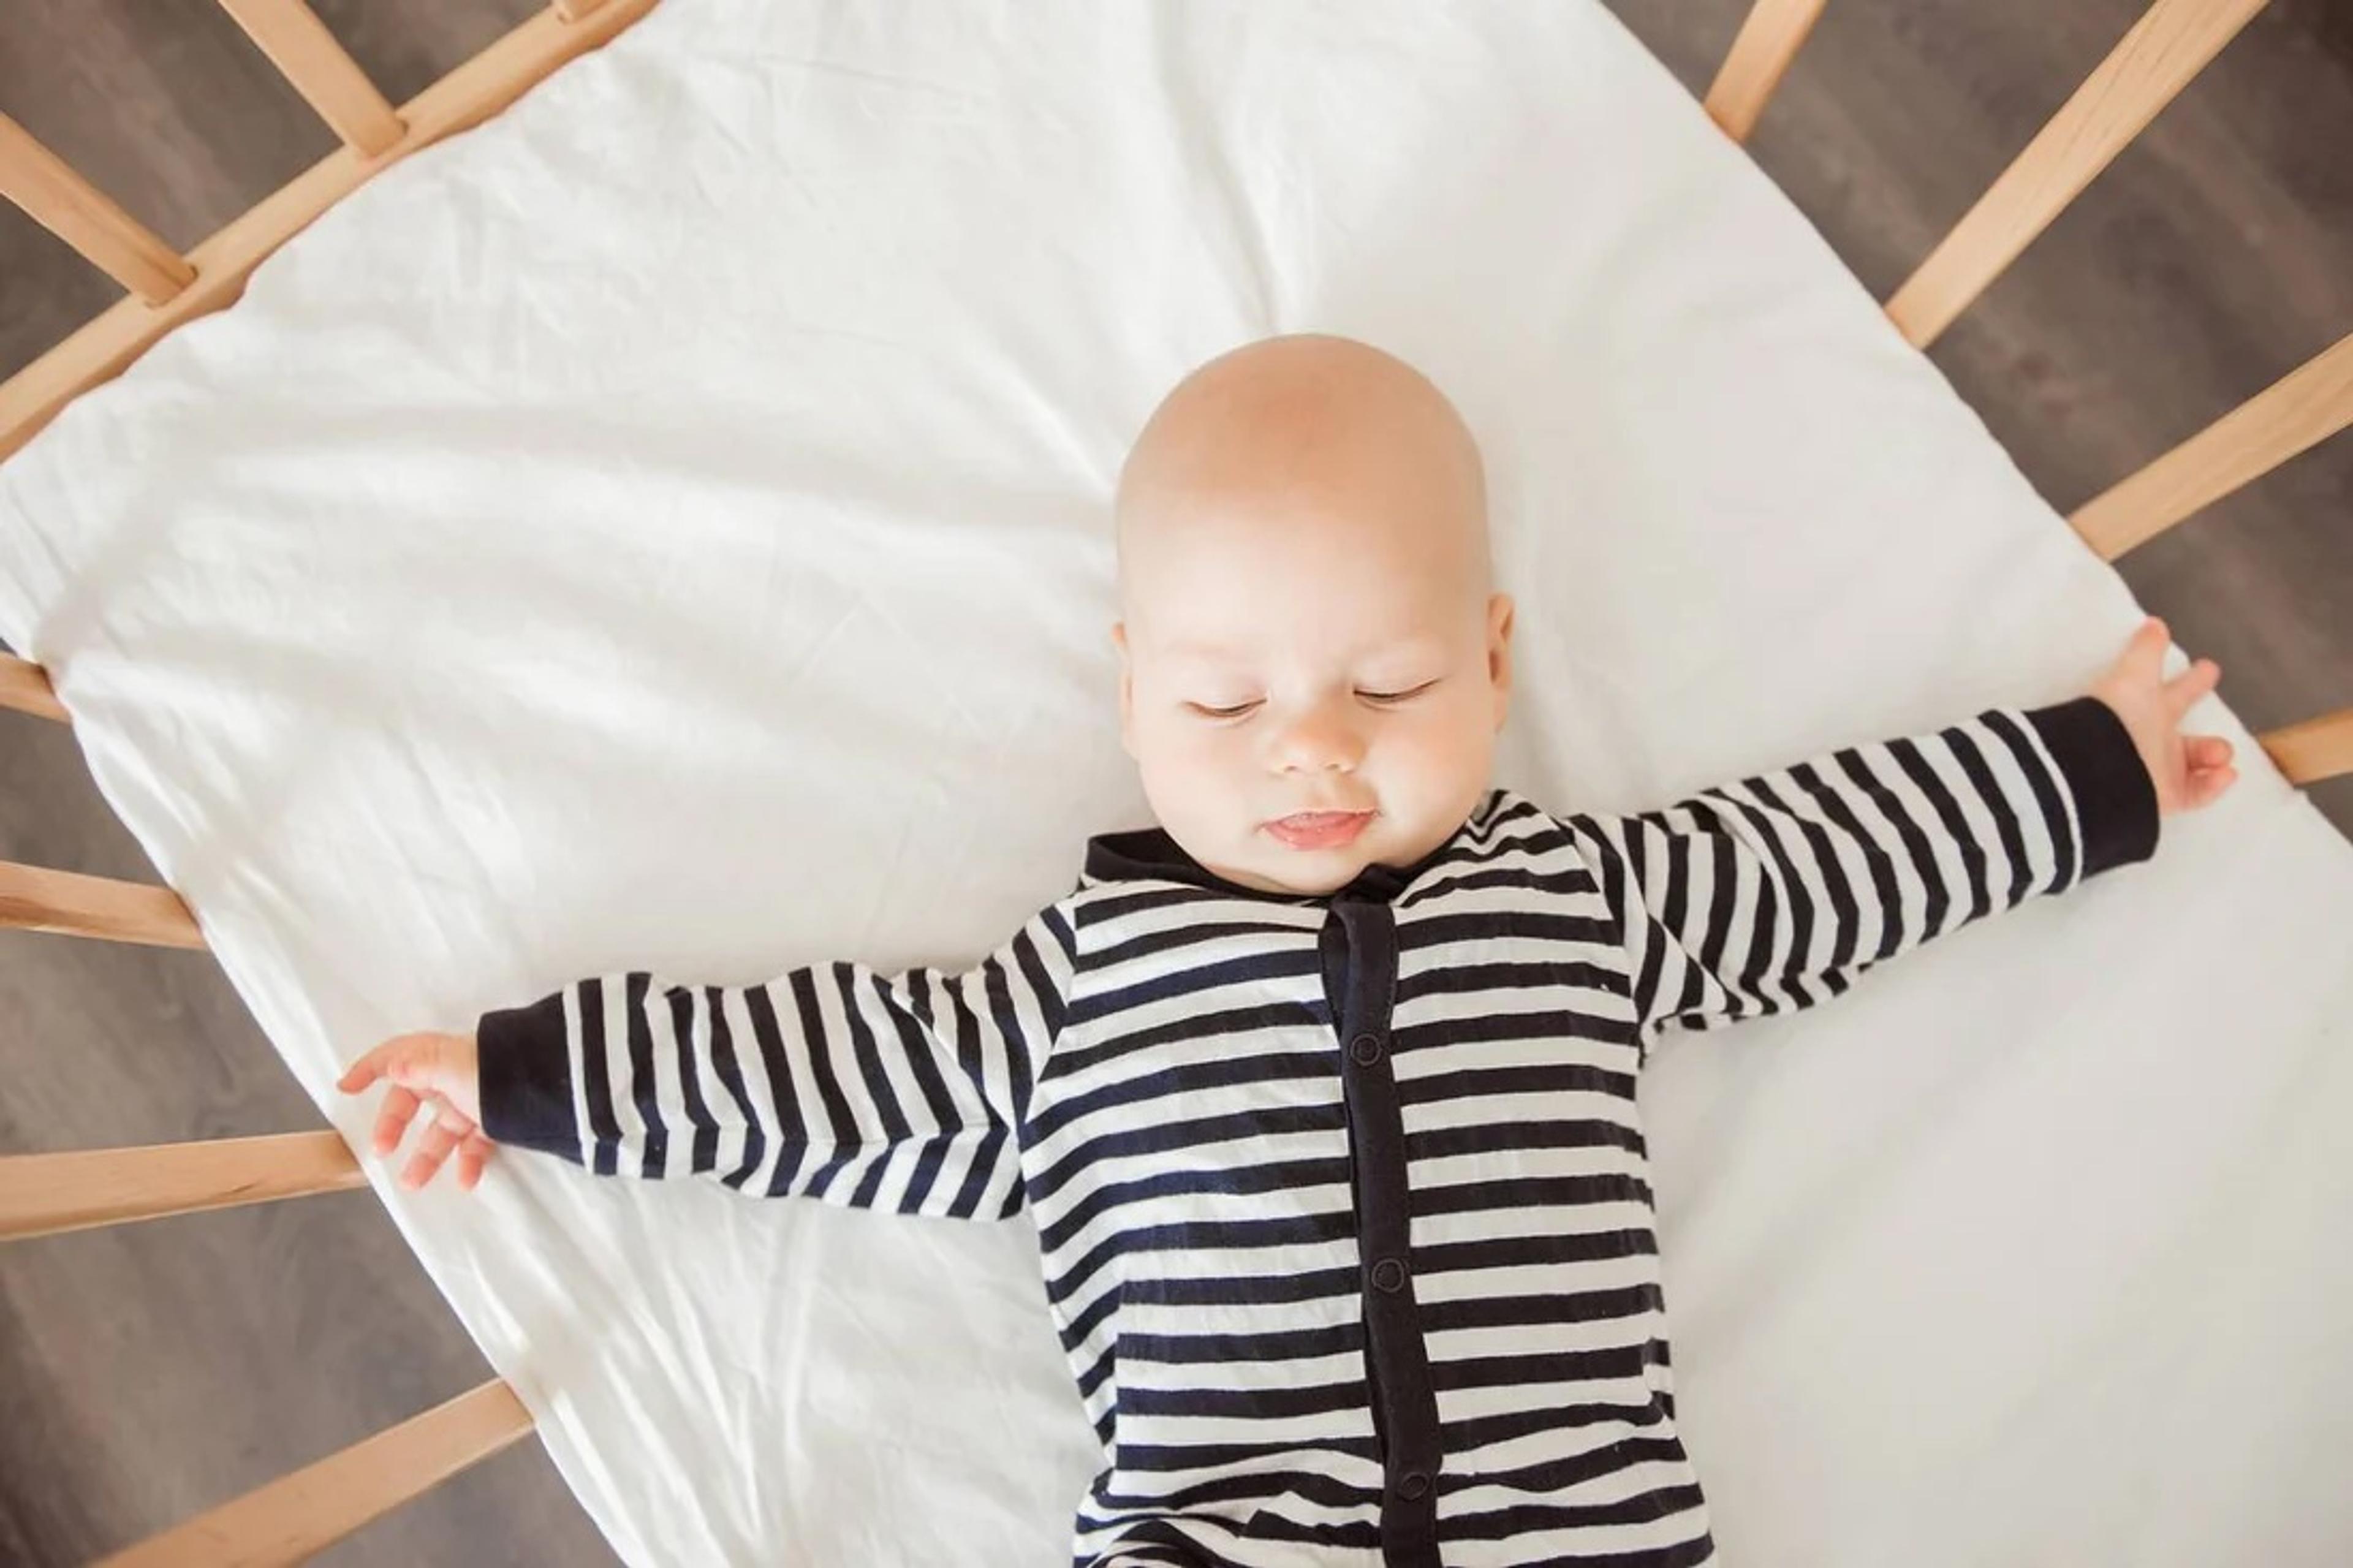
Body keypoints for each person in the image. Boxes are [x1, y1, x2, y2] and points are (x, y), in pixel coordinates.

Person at [339, 335, 2236, 1566]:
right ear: (1134, 700)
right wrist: (528, 1076)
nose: (1313, 748)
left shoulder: (1590, 898)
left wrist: (2092, 770)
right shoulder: (1072, 995)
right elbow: (806, 1068)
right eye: (1228, 700)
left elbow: (1835, 860)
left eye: (1389, 681)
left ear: (1494, 663)